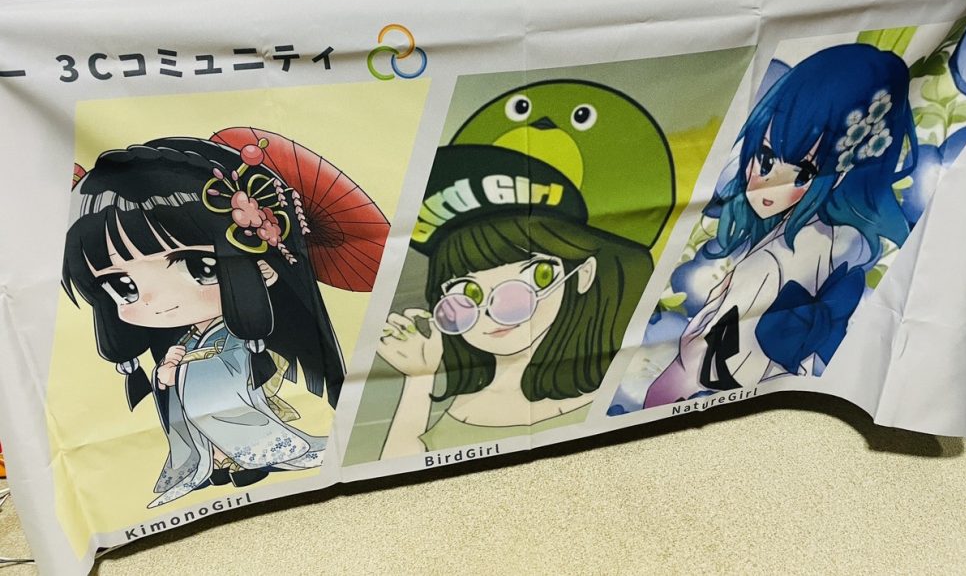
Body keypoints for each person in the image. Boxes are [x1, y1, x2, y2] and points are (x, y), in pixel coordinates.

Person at [62, 131, 359, 506]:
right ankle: (218, 462)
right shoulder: (188, 336)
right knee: (201, 414)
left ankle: (244, 461)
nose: (160, 302)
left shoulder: (238, 332)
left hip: (225, 382)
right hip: (199, 388)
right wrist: (167, 371)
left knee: (222, 408)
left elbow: (236, 367)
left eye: (199, 266)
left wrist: (184, 368)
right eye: (124, 286)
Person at [644, 43, 917, 407]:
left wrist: (690, 360)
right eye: (766, 157)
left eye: (802, 173)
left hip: (718, 386)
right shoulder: (823, 237)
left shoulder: (769, 263)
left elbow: (719, 369)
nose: (768, 183)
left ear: (840, 173)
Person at [379, 145, 653, 456]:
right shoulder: (465, 408)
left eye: (534, 277)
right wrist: (420, 377)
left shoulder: (621, 386)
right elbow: (401, 468)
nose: (495, 312)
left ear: (584, 274)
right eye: (467, 294)